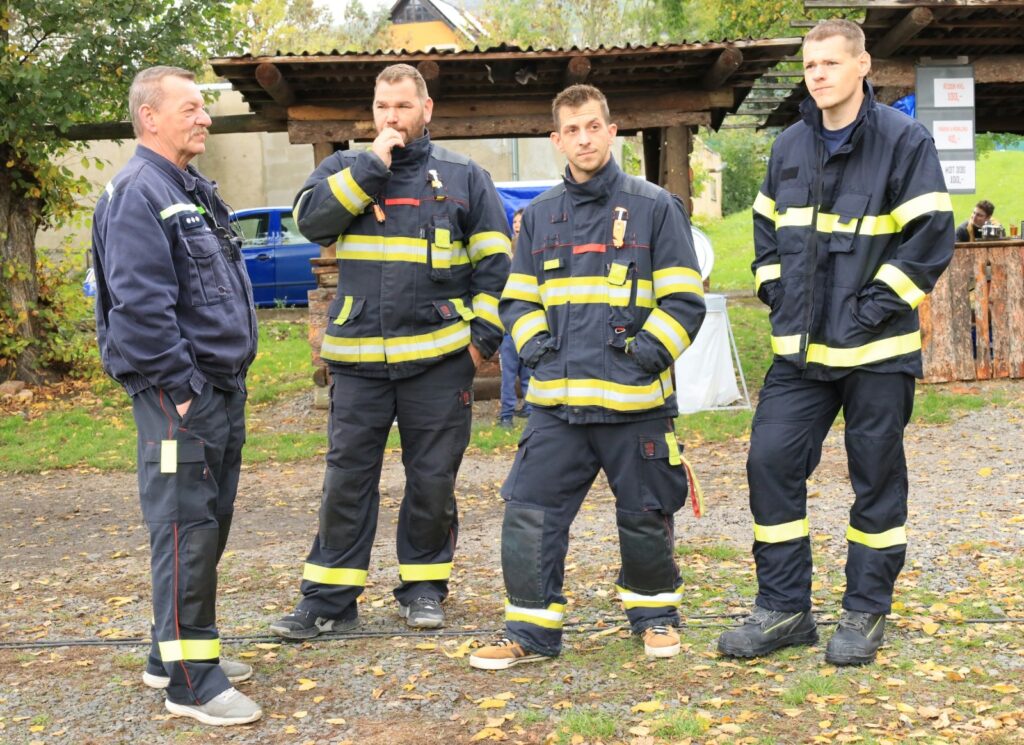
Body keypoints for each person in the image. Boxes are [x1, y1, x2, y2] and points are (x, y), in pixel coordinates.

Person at [716, 19, 954, 667]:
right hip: (800, 353)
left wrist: (870, 309)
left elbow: (931, 237)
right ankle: (784, 608)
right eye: (810, 65)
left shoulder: (904, 140)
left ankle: (865, 610)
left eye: (829, 62)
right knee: (769, 461)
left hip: (876, 353)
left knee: (876, 478)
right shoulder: (790, 146)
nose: (817, 74)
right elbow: (765, 232)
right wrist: (777, 293)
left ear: (862, 65)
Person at [469, 84, 706, 670]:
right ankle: (530, 631)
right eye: (572, 130)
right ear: (557, 140)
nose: (584, 139)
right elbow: (517, 300)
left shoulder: (656, 207)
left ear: (611, 131)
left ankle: (654, 617)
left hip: (635, 403)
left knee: (645, 514)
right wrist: (538, 350)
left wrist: (645, 356)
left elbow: (684, 300)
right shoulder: (539, 216)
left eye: (593, 126)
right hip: (557, 406)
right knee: (529, 515)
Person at [271, 64, 511, 639]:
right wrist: (370, 166)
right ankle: (329, 599)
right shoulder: (343, 169)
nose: (392, 117)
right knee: (345, 482)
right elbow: (312, 223)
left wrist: (478, 346)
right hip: (358, 363)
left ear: (427, 110)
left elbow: (497, 266)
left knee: (432, 482)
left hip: (439, 361)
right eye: (382, 107)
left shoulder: (464, 177)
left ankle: (424, 588)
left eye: (403, 106)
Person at [91, 67, 261, 725]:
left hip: (215, 389)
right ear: (150, 117)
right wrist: (183, 391)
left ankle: (171, 654)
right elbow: (139, 308)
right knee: (186, 527)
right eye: (190, 108)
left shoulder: (185, 187)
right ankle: (192, 683)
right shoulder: (139, 192)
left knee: (203, 524)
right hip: (181, 398)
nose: (205, 118)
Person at [497, 208, 532, 427]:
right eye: (515, 221)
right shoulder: (507, 253)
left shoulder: (528, 253)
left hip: (522, 326)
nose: (517, 225)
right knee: (514, 374)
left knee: (519, 373)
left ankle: (512, 414)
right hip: (513, 326)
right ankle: (510, 414)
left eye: (521, 221)